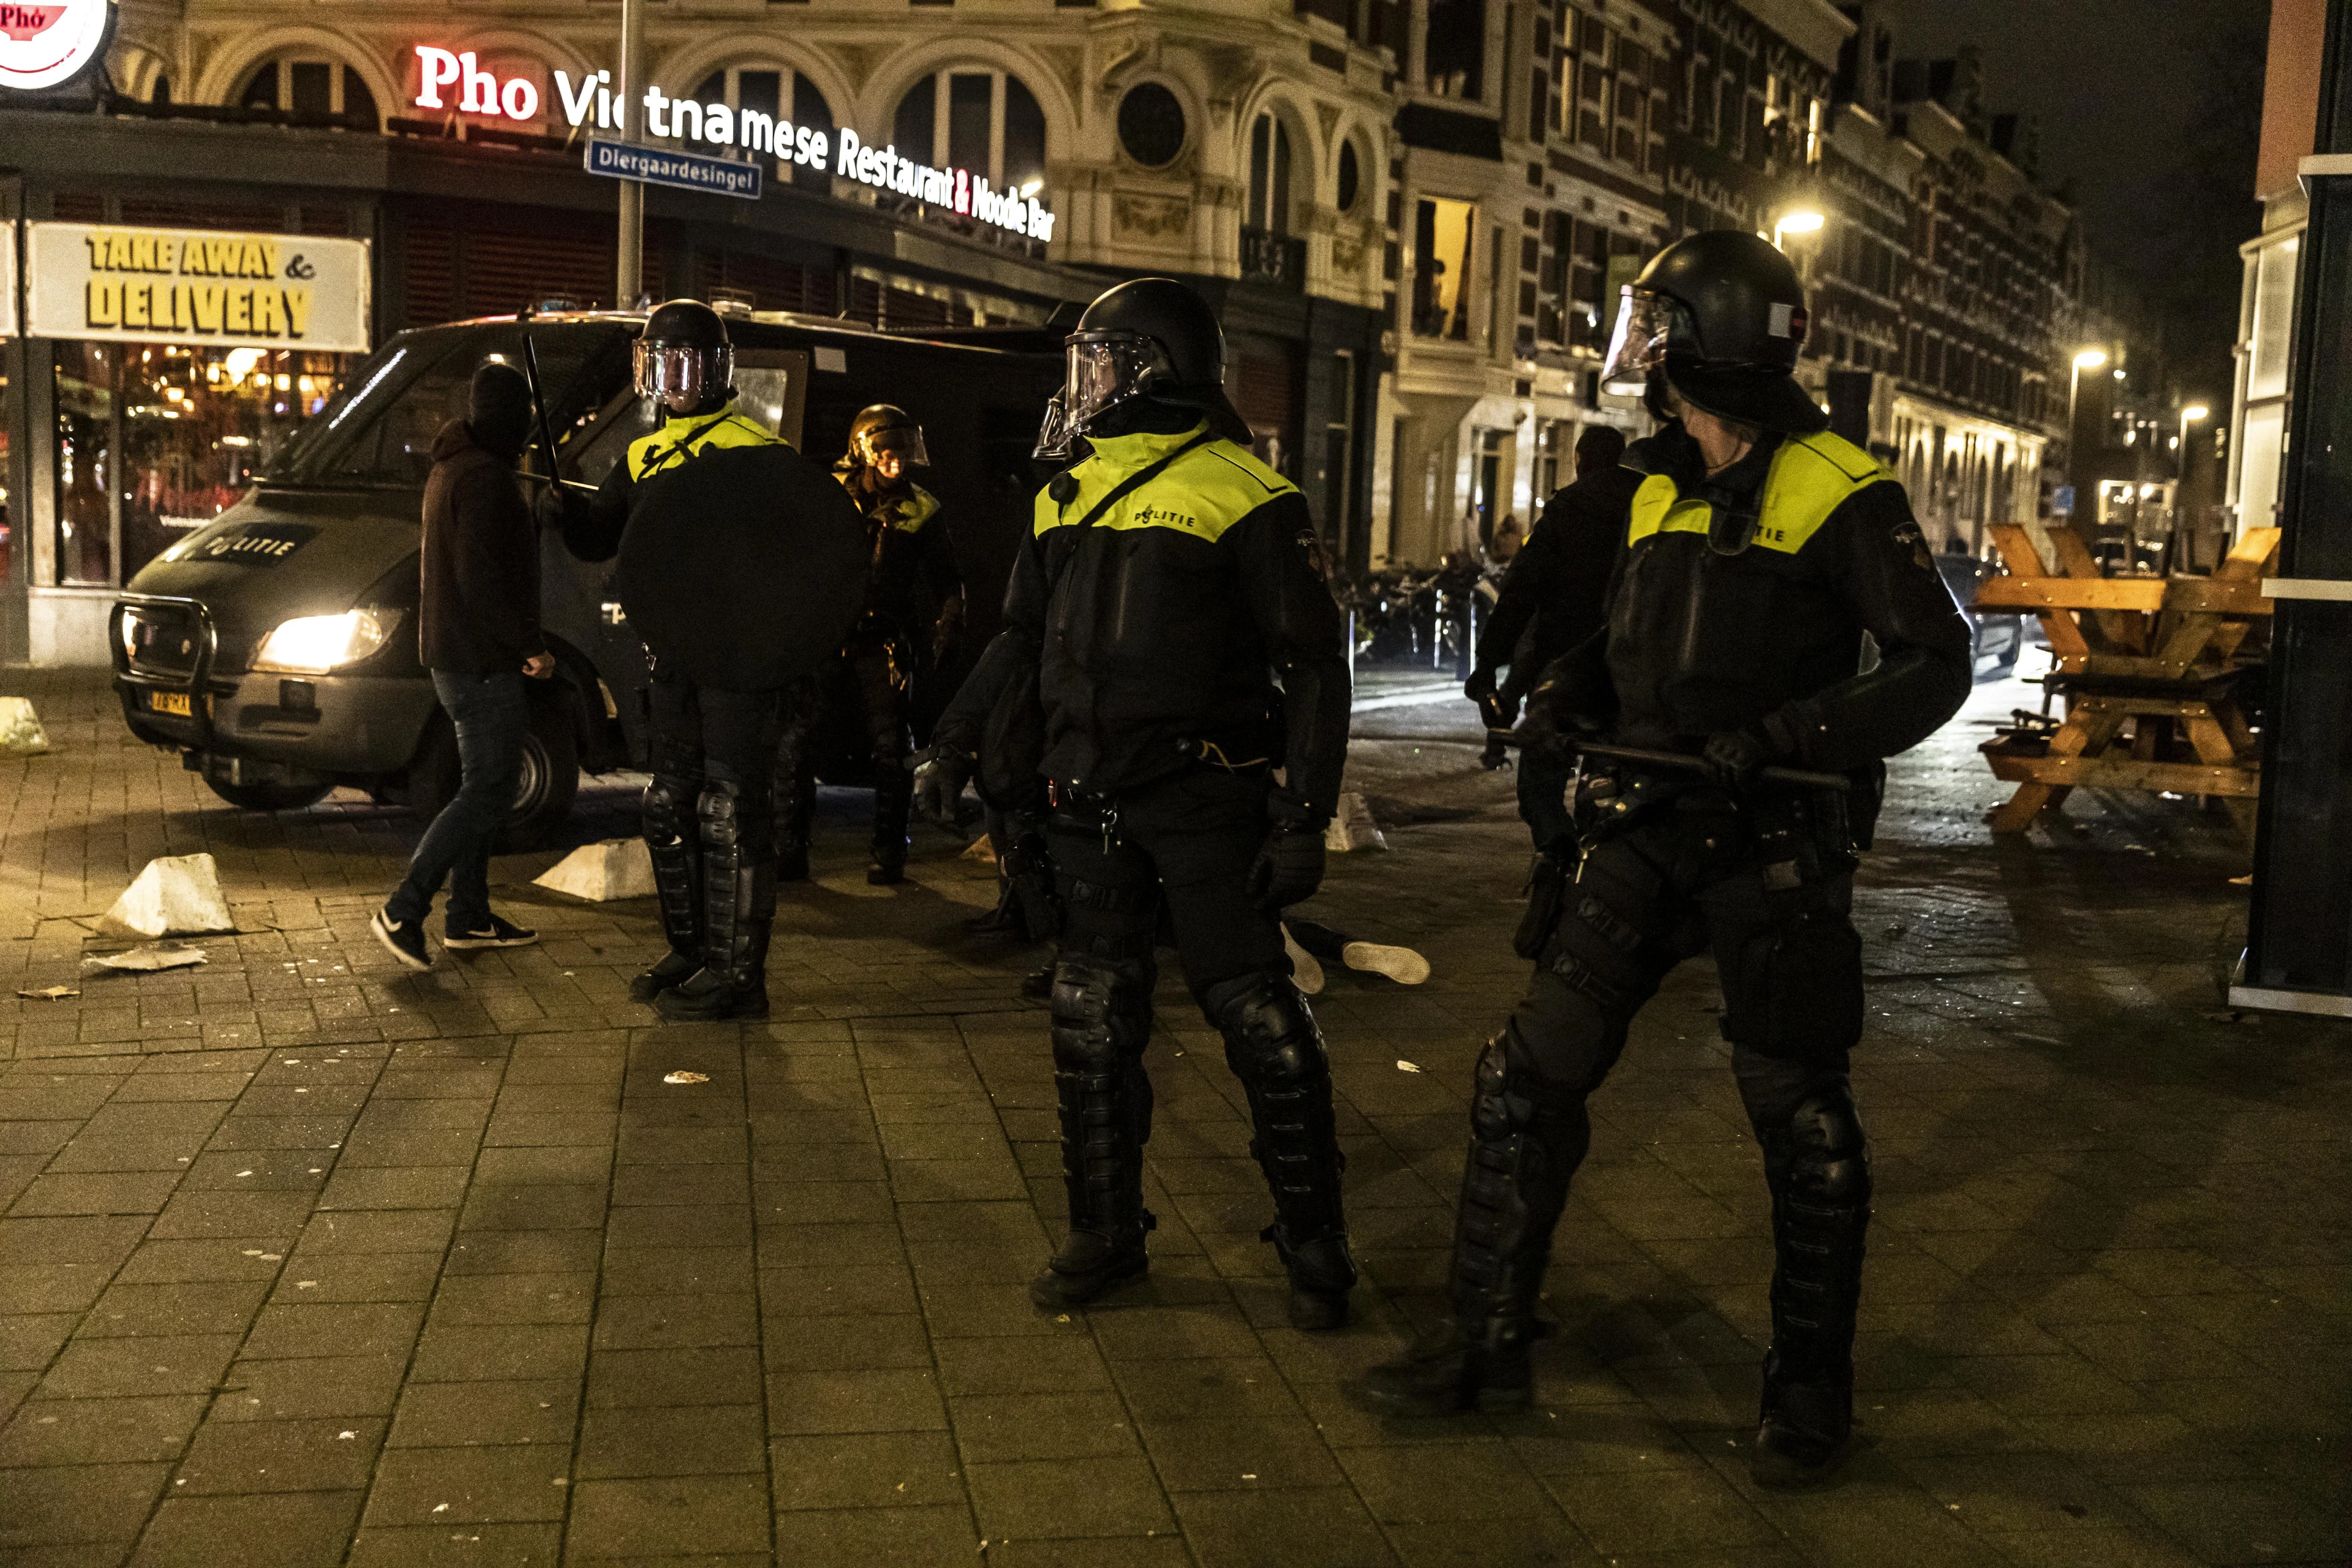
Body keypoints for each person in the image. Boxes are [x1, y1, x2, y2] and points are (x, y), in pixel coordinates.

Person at [1361, 231, 1972, 1488]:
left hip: (1769, 848)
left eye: (1660, 322)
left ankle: (1807, 1396)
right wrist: (1571, 685)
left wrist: (1790, 735)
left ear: (1715, 339)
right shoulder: (1654, 480)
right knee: (1524, 1082)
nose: (1640, 347)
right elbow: (1630, 632)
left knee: (1801, 1124)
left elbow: (1935, 661)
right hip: (1638, 828)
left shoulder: (1846, 489)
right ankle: (1481, 1339)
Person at [922, 277, 1359, 1327]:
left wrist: (1304, 819)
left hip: (1207, 801)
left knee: (1258, 1017)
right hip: (1091, 806)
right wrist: (951, 741)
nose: (1089, 383)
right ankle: (1105, 1234)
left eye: (1104, 361)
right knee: (1090, 1019)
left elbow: (1314, 665)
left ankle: (1316, 1245)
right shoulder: (1068, 489)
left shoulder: (1248, 493)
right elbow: (1022, 640)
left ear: (1155, 365)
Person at [551, 300, 865, 1020]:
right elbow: (607, 539)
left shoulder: (754, 449)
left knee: (731, 811)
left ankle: (739, 974)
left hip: (737, 662)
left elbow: (800, 555)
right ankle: (691, 949)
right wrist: (567, 515)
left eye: (687, 364)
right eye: (659, 365)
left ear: (718, 371)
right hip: (673, 658)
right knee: (668, 804)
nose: (673, 380)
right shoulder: (641, 455)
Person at [372, 361, 553, 970]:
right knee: (489, 787)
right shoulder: (484, 480)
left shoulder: (453, 467)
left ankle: (469, 916)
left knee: (484, 785)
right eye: (522, 416)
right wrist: (527, 644)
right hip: (480, 661)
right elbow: (484, 580)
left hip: (456, 656)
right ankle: (405, 907)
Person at [777, 405, 965, 885]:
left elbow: (947, 579)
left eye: (903, 451)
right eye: (887, 450)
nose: (896, 461)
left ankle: (889, 852)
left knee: (891, 751)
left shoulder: (923, 508)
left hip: (883, 643)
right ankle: (789, 849)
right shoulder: (827, 494)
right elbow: (791, 555)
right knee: (798, 745)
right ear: (865, 450)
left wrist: (949, 622)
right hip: (825, 637)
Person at [1466, 425, 1643, 854]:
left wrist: (1488, 661)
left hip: (1565, 672)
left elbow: (1520, 592)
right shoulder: (1650, 504)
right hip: (1631, 671)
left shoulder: (1569, 509)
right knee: (1616, 785)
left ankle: (1560, 859)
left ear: (1580, 460)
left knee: (1540, 789)